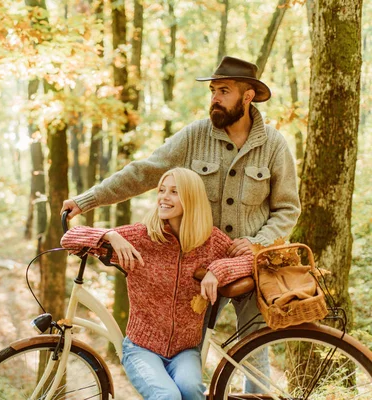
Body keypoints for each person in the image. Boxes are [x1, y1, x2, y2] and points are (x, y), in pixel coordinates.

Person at [61, 56, 300, 392]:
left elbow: (288, 209)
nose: (215, 98)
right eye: (213, 90)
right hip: (197, 267)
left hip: (249, 266)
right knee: (191, 357)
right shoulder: (195, 136)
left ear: (247, 97)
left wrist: (259, 242)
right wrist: (87, 200)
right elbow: (143, 172)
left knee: (254, 352)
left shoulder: (274, 145)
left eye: (224, 91)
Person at [61, 168, 254, 400]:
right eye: (162, 190)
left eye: (174, 192)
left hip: (185, 350)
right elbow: (69, 239)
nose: (164, 196)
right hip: (141, 348)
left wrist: (217, 270)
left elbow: (252, 260)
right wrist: (110, 235)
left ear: (191, 198)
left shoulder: (210, 240)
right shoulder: (142, 236)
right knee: (167, 396)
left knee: (192, 391)